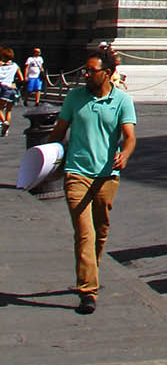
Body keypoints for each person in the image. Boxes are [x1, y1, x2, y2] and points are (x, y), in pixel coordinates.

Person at [50, 48, 136, 314]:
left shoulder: (122, 100)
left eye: (91, 70)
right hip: (76, 173)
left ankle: (91, 270)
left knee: (101, 230)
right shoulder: (74, 97)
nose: (85, 74)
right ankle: (88, 291)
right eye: (84, 70)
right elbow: (59, 131)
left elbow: (130, 136)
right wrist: (45, 160)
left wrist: (125, 154)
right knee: (84, 233)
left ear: (107, 73)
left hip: (107, 176)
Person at [0, 46, 19, 136]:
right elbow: (22, 78)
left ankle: (4, 122)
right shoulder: (15, 66)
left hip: (3, 88)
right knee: (9, 110)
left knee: (0, 108)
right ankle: (6, 130)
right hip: (13, 88)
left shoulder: (1, 66)